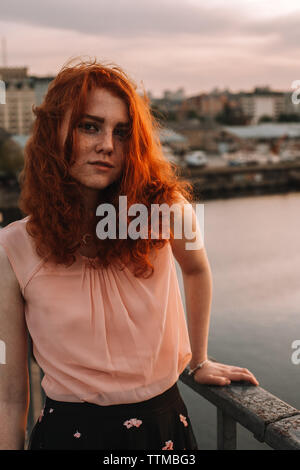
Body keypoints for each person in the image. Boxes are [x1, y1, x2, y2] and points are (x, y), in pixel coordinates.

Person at [0, 58, 259, 451]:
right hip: (66, 438)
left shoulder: (164, 212)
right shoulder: (13, 247)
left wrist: (199, 359)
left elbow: (196, 268)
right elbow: (10, 395)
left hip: (163, 432)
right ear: (56, 133)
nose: (107, 145)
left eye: (121, 132)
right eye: (90, 126)